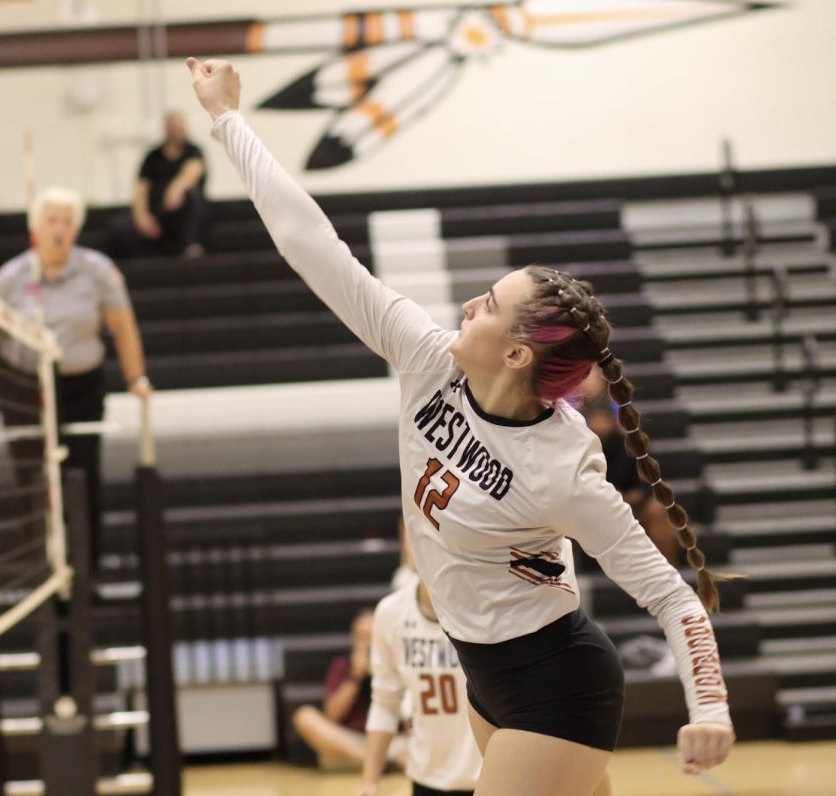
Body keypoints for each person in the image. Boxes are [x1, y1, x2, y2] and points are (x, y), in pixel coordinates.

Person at [186, 58, 733, 796]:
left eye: (488, 305)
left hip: (557, 685)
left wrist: (710, 707)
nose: (469, 307)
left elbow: (671, 595)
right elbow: (309, 241)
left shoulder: (562, 470)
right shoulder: (424, 354)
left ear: (515, 353)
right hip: (482, 675)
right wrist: (228, 119)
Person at [0, 187, 152, 570]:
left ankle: (86, 570)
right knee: (31, 478)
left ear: (76, 229)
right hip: (24, 387)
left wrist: (136, 378)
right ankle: (40, 568)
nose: (60, 229)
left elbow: (123, 327)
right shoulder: (10, 277)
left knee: (82, 475)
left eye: (67, 222)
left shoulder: (97, 270)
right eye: (52, 221)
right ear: (36, 228)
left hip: (81, 386)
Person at [359, 581, 481, 796]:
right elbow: (385, 703)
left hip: (488, 776)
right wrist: (369, 782)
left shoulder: (484, 605)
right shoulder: (391, 613)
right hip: (426, 777)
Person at [580, 367, 679, 566]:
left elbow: (641, 461)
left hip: (623, 486)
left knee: (657, 510)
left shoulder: (620, 410)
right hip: (582, 492)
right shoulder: (565, 410)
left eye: (593, 372)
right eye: (585, 373)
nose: (590, 378)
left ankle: (669, 574)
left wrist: (637, 493)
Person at [292, 610, 405, 769]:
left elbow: (406, 717)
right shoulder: (342, 665)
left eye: (371, 637)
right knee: (304, 716)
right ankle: (376, 762)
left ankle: (376, 763)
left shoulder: (398, 664)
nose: (367, 644)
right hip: (351, 744)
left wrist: (382, 677)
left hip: (389, 741)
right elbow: (332, 715)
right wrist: (354, 678)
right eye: (362, 638)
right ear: (353, 639)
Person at [130, 111, 207, 257]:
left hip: (183, 211)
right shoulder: (153, 156)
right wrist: (142, 217)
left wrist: (176, 189)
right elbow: (141, 189)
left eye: (179, 127)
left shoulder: (193, 151)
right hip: (158, 211)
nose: (176, 131)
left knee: (192, 196)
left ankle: (190, 246)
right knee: (120, 227)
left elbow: (192, 171)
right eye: (172, 127)